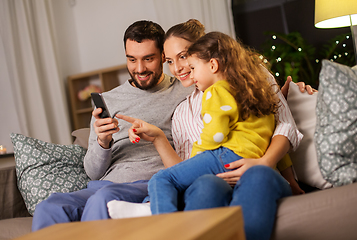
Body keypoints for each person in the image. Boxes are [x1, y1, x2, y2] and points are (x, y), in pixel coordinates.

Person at [107, 20, 306, 240]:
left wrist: (265, 161)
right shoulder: (182, 111)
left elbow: (284, 125)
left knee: (256, 175)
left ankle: (155, 211)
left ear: (203, 53)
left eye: (183, 57)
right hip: (215, 180)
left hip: (261, 171)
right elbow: (185, 170)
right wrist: (159, 138)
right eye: (170, 61)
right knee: (205, 184)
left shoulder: (249, 77)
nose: (178, 69)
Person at [31, 20, 194, 231]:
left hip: (149, 183)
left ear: (163, 56)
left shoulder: (184, 91)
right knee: (49, 207)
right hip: (104, 185)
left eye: (148, 59)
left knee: (104, 200)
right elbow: (92, 173)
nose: (140, 68)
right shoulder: (108, 100)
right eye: (132, 59)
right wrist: (102, 142)